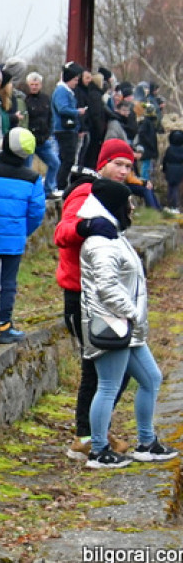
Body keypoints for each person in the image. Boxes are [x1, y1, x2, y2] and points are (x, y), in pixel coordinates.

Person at [78, 179, 178, 469]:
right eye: (128, 202)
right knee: (108, 386)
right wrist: (132, 313)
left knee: (151, 378)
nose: (132, 207)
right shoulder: (101, 241)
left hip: (126, 327)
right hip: (112, 325)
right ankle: (98, 451)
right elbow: (106, 287)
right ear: (113, 205)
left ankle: (146, 442)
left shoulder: (112, 234)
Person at [54, 138, 137, 460]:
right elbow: (62, 233)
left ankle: (96, 429)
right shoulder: (85, 192)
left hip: (102, 297)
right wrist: (87, 226)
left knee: (117, 367)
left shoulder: (112, 194)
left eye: (128, 166)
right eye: (118, 164)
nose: (123, 171)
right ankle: (85, 437)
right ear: (103, 164)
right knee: (96, 367)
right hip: (81, 295)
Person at [0, 128, 45, 342]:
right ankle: (5, 325)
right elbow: (36, 212)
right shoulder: (32, 178)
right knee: (8, 283)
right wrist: (23, 231)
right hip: (14, 238)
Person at [23, 72, 60, 197]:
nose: (34, 87)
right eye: (32, 84)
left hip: (43, 140)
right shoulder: (25, 100)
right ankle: (28, 192)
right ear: (28, 85)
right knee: (27, 168)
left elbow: (50, 117)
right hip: (29, 140)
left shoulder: (46, 98)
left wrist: (49, 132)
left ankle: (48, 189)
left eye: (36, 84)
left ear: (41, 85)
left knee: (55, 163)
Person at [52, 62, 87, 193]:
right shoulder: (62, 91)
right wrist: (77, 112)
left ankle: (61, 184)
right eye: (75, 80)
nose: (76, 83)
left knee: (67, 159)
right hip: (64, 129)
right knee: (67, 159)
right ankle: (60, 185)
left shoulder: (66, 91)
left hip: (69, 129)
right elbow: (62, 108)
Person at [161, 130, 183, 213]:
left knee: (170, 187)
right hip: (180, 169)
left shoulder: (169, 149)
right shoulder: (182, 149)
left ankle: (171, 205)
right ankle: (175, 206)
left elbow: (165, 160)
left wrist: (164, 170)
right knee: (176, 188)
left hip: (170, 169)